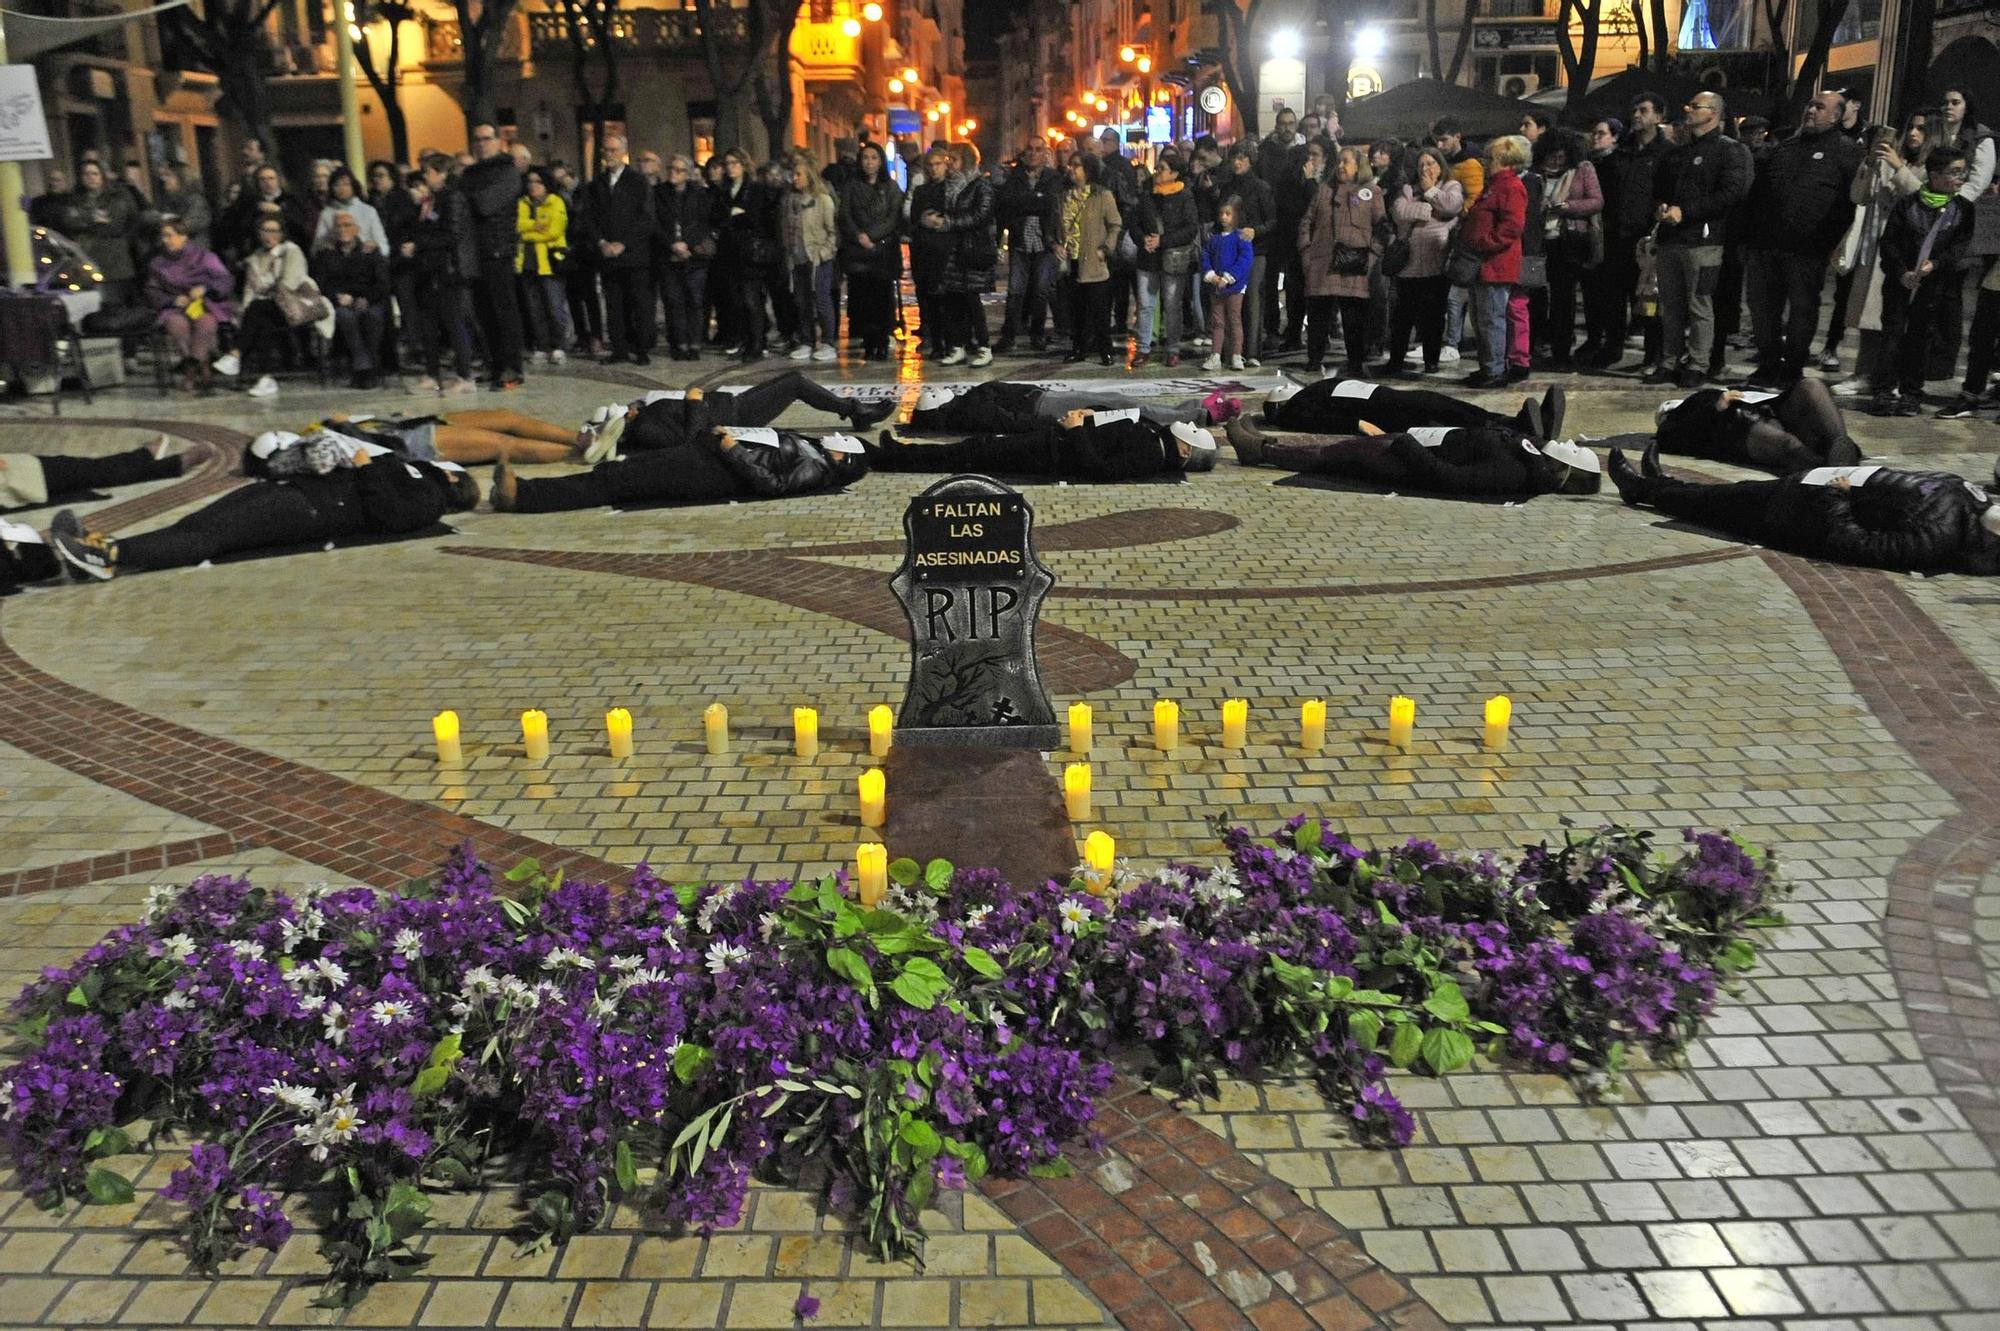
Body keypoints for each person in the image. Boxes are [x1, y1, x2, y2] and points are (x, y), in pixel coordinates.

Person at [49, 453, 479, 583]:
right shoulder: (414, 468)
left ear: (450, 477)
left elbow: (388, 515)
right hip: (300, 490)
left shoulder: (429, 501)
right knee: (195, 525)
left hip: (311, 511)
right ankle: (101, 548)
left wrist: (366, 469)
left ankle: (110, 556)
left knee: (210, 536)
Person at [1608, 443, 2000, 576]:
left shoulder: (1939, 539)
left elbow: (1853, 546)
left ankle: (1640, 487)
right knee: (1728, 497)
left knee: (1716, 506)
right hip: (1819, 488)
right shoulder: (1971, 502)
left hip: (1805, 515)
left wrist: (1837, 497)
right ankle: (1660, 485)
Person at [1743, 91, 1864, 387]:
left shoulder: (1846, 151)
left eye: (1820, 107)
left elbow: (1852, 201)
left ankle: (1793, 366)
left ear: (1836, 116)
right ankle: (1769, 361)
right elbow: (1760, 194)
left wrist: (1833, 240)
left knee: (1802, 309)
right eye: (1810, 105)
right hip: (1768, 245)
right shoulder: (1786, 147)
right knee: (1763, 309)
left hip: (1808, 250)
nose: (1811, 110)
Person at [490, 426, 867, 514]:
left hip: (710, 472)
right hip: (707, 458)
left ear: (842, 458)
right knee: (622, 473)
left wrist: (732, 449)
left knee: (617, 482)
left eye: (840, 442)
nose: (833, 438)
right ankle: (524, 491)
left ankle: (523, 496)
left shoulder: (815, 470)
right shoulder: (813, 451)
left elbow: (770, 483)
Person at [1649, 92, 1753, 388]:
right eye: (1689, 104)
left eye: (1696, 106)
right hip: (1671, 238)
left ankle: (1698, 363)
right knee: (1670, 305)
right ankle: (1669, 361)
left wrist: (1689, 211)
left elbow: (1732, 194)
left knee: (1699, 304)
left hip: (1705, 242)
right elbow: (1660, 187)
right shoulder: (1677, 153)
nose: (1689, 109)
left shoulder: (1729, 151)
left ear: (1715, 113)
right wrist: (1662, 207)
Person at [1228, 419, 1603, 498]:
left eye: (1573, 450)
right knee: (1337, 450)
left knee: (1332, 456)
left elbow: (1449, 479)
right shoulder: (1528, 456)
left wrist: (1407, 446)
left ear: (1566, 470)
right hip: (1420, 442)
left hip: (1405, 459)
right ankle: (1264, 445)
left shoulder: (1512, 474)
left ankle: (1260, 452)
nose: (1567, 442)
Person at [1871, 146, 1977, 416]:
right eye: (1954, 172)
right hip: (1900, 282)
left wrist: (1937, 264)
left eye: (1962, 171)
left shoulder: (1962, 209)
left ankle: (1911, 393)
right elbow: (1889, 243)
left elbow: (1960, 247)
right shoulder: (1908, 203)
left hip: (1934, 286)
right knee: (1892, 335)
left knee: (1920, 338)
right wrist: (1901, 272)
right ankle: (1883, 391)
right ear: (1934, 175)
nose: (1960, 177)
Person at [870, 412, 1218, 482]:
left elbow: (1099, 469)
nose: (1187, 426)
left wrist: (1078, 429)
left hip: (1050, 453)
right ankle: (898, 452)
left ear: (1185, 451)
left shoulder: (1150, 456)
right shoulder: (1155, 439)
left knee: (968, 453)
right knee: (972, 447)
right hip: (1056, 439)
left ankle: (892, 458)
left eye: (1190, 433)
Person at [1593, 95, 1670, 372]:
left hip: (1647, 239)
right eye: (1634, 110)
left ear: (1659, 116)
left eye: (1644, 110)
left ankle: (1653, 355)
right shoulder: (1621, 152)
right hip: (1617, 237)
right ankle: (1612, 347)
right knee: (1613, 297)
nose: (1637, 115)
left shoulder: (1667, 153)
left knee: (1649, 300)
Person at [1259, 374, 1564, 440]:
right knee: (1442, 415)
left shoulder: (1306, 393)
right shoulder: (1294, 409)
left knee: (1447, 407)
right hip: (1385, 410)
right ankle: (1513, 428)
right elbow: (1319, 420)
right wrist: (1355, 426)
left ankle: (1513, 421)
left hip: (1387, 397)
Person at [1300, 145, 1385, 377]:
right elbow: (1306, 222)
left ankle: (1356, 362)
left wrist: (1372, 256)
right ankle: (1314, 359)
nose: (1340, 166)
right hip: (1321, 262)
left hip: (1354, 265)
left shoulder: (1371, 191)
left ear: (1358, 165)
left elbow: (1381, 228)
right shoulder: (1323, 191)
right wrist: (1306, 253)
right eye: (1338, 161)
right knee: (1318, 315)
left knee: (1354, 317)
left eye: (1345, 161)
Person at [1647, 380, 1863, 472]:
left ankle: (1842, 447)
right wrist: (1717, 407)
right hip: (1738, 428)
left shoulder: (1703, 395)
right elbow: (1668, 436)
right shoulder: (1674, 422)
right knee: (1787, 444)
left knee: (1811, 385)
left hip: (1769, 409)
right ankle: (1836, 474)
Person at [1381, 146, 1464, 376]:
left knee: (1433, 317)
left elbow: (1451, 206)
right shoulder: (1407, 189)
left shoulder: (1451, 186)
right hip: (1407, 267)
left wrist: (1429, 191)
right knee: (1402, 318)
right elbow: (1399, 212)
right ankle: (1395, 361)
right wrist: (1429, 208)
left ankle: (1431, 361)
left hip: (1436, 266)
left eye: (1430, 163)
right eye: (1421, 165)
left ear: (1440, 166)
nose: (1425, 169)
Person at [237, 216, 334, 396]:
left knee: (258, 309)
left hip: (291, 306)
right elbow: (250, 290)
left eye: (274, 231)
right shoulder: (254, 258)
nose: (269, 235)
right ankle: (266, 379)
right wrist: (246, 308)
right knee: (260, 319)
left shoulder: (291, 251)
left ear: (281, 234)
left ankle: (236, 353)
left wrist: (265, 291)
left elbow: (289, 283)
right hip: (265, 310)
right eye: (265, 230)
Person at [907, 382, 1239, 435]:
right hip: (1044, 407)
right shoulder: (969, 409)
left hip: (1044, 402)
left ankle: (1193, 411)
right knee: (1124, 407)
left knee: (1124, 405)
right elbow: (1010, 420)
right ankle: (1200, 414)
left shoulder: (967, 405)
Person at [463, 123, 528, 389]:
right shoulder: (469, 173)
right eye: (477, 139)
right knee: (484, 314)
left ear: (498, 141)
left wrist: (467, 198)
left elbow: (486, 204)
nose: (481, 143)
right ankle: (494, 364)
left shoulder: (507, 170)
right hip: (474, 253)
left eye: (486, 139)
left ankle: (512, 367)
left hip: (498, 250)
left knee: (504, 312)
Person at [1461, 136, 1529, 389]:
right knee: (1481, 320)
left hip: (1495, 264)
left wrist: (1485, 243)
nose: (1485, 162)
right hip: (1482, 264)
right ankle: (1487, 366)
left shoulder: (1510, 186)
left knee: (1492, 319)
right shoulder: (1494, 185)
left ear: (1503, 160)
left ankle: (1495, 370)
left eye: (1489, 158)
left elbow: (1512, 226)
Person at [1532, 131, 1602, 369]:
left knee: (1563, 298)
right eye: (1551, 157)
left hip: (1568, 241)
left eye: (1560, 157)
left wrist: (1568, 207)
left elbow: (1596, 201)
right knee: (1536, 295)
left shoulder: (1582, 170)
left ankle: (1562, 352)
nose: (1555, 162)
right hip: (1539, 242)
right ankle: (1536, 343)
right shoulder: (1536, 173)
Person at [407, 157, 477, 395]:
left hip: (448, 268)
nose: (425, 177)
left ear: (442, 173)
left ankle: (465, 374)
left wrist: (420, 245)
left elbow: (452, 233)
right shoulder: (430, 200)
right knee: (429, 323)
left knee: (454, 321)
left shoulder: (452, 198)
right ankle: (432, 371)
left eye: (428, 172)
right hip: (429, 268)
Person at [588, 133, 657, 367]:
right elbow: (590, 218)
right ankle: (619, 348)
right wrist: (601, 243)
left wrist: (623, 243)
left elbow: (646, 219)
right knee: (614, 305)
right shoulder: (597, 183)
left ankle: (641, 348)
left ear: (623, 151)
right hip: (608, 256)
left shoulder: (638, 181)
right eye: (606, 150)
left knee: (640, 304)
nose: (609, 155)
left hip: (634, 255)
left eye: (613, 150)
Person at [146, 219, 234, 394]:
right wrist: (172, 300)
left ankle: (191, 371)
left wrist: (206, 289)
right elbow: (152, 290)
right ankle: (203, 368)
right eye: (163, 236)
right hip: (175, 306)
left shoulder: (204, 257)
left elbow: (225, 279)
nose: (165, 240)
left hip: (205, 304)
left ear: (183, 236)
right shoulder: (157, 263)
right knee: (177, 325)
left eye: (170, 235)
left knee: (205, 323)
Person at [714, 148, 782, 363]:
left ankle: (757, 343)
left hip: (750, 253)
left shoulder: (754, 189)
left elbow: (756, 218)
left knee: (752, 300)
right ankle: (746, 341)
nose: (731, 167)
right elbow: (717, 217)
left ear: (744, 165)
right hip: (730, 253)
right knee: (737, 301)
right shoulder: (724, 190)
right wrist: (733, 216)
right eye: (728, 163)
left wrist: (737, 217)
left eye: (735, 163)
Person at [838, 142, 903, 362]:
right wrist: (859, 236)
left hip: (883, 251)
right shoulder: (851, 186)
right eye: (865, 157)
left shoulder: (890, 187)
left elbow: (893, 217)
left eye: (874, 158)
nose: (869, 162)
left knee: (882, 298)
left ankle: (883, 341)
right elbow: (845, 215)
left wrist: (873, 236)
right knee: (863, 299)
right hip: (858, 252)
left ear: (881, 161)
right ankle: (868, 341)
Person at [1133, 151, 1200, 367]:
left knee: (1172, 305)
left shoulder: (1184, 196)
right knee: (1145, 304)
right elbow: (1133, 222)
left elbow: (1190, 228)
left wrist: (1163, 240)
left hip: (1173, 259)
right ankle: (1143, 348)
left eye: (1162, 168)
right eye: (1157, 168)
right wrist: (1143, 239)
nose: (1157, 173)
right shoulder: (1147, 195)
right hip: (1148, 257)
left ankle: (1172, 349)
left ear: (1175, 173)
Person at [312, 211, 392, 388]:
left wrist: (363, 297)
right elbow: (321, 283)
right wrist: (338, 296)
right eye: (338, 226)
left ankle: (365, 367)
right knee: (346, 317)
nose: (342, 230)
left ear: (357, 229)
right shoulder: (326, 254)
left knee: (374, 316)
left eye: (347, 225)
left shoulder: (370, 251)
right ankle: (365, 368)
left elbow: (383, 283)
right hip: (340, 302)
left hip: (369, 299)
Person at [996, 142, 1062, 353]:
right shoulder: (1015, 178)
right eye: (1030, 150)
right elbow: (1008, 203)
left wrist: (1027, 202)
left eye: (1038, 150)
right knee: (1015, 290)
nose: (1033, 154)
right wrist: (1035, 200)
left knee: (1041, 290)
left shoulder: (1053, 178)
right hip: (1021, 240)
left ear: (1045, 154)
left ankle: (1037, 334)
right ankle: (1009, 335)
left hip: (1045, 240)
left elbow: (1051, 204)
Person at [0, 438, 184, 512]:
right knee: (88, 472)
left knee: (84, 472)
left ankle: (158, 461)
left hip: (14, 472)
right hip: (14, 479)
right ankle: (168, 463)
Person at [1058, 153, 1121, 367]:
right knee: (1076, 309)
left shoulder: (1102, 195)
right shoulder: (1064, 195)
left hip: (1093, 260)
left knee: (1099, 310)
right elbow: (1056, 224)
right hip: (1070, 259)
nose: (1072, 169)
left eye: (1077, 166)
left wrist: (1105, 249)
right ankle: (1079, 347)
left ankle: (1106, 350)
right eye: (1071, 165)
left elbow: (1115, 224)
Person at [780, 151, 841, 363]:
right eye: (793, 174)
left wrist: (823, 253)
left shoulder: (823, 200)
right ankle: (806, 340)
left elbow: (832, 231)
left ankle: (828, 341)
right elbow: (786, 230)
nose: (795, 178)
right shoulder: (789, 201)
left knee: (822, 299)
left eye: (799, 174)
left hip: (817, 258)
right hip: (797, 258)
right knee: (802, 301)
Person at [515, 167, 573, 366]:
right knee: (535, 309)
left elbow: (553, 230)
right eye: (530, 181)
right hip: (527, 264)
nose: (533, 185)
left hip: (550, 264)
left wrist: (527, 230)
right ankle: (541, 345)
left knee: (554, 307)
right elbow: (517, 227)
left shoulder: (555, 202)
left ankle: (559, 346)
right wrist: (535, 226)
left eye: (538, 182)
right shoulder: (522, 203)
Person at [1225, 144, 1276, 365]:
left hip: (1256, 251)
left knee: (1253, 301)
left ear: (1250, 160)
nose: (1237, 162)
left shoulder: (1261, 187)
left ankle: (1253, 351)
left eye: (1242, 158)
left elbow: (1273, 220)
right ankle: (1234, 350)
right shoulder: (1227, 187)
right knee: (1232, 302)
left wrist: (1256, 231)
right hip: (1232, 251)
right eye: (1234, 158)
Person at [657, 155, 712, 361]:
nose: (674, 173)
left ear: (688, 174)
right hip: (668, 254)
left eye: (679, 170)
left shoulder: (699, 194)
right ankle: (679, 343)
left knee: (694, 300)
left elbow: (703, 223)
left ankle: (695, 343)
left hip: (693, 256)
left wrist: (687, 244)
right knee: (673, 301)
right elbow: (655, 223)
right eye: (671, 168)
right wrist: (672, 243)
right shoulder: (659, 193)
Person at [63, 161, 140, 308]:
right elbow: (69, 220)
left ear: (102, 176)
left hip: (115, 258)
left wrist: (87, 220)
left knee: (116, 303)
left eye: (95, 174)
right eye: (87, 174)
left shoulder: (117, 196)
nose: (91, 177)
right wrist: (93, 219)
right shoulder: (76, 198)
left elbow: (118, 222)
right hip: (87, 257)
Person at [218, 165, 313, 264]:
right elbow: (240, 227)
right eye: (262, 179)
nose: (267, 182)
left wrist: (280, 211)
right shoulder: (249, 203)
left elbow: (301, 226)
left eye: (271, 178)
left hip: (288, 253)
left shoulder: (292, 200)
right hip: (258, 253)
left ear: (278, 180)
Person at [1201, 197, 1254, 371]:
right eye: (1221, 214)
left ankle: (1236, 355)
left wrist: (1229, 277)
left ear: (1236, 216)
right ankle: (1216, 355)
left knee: (1234, 320)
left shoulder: (1241, 238)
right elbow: (1205, 256)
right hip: (1216, 286)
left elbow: (1245, 260)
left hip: (1235, 287)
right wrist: (1212, 276)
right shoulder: (1213, 238)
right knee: (1217, 322)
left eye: (1228, 214)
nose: (1224, 217)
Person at [312, 167, 388, 254]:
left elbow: (383, 244)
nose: (342, 188)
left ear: (353, 186)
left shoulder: (368, 211)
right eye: (337, 185)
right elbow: (317, 247)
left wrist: (375, 246)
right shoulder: (326, 213)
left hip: (365, 258)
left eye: (346, 184)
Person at [148, 164, 212, 251]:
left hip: (193, 255)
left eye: (168, 175)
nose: (164, 179)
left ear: (181, 178)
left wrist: (164, 219)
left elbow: (186, 226)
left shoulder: (195, 200)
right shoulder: (167, 201)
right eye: (163, 176)